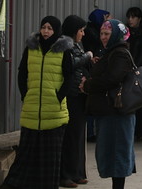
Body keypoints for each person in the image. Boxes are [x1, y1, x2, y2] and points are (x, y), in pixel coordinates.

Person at [1, 16, 73, 189]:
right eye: (43, 27)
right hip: (32, 110)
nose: (46, 31)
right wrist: (25, 94)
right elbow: (22, 73)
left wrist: (58, 97)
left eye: (50, 28)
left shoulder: (64, 51)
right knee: (27, 154)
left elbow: (69, 77)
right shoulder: (31, 49)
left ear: (56, 31)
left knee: (50, 157)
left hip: (54, 111)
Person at [81, 19, 136, 188]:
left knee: (117, 153)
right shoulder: (110, 52)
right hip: (110, 112)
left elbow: (112, 79)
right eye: (102, 34)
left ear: (116, 36)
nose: (103, 37)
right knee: (112, 152)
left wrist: (88, 85)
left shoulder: (119, 53)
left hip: (117, 113)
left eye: (107, 34)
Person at [59, 15, 94, 188]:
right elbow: (70, 64)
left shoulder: (76, 45)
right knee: (70, 137)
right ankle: (66, 174)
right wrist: (87, 57)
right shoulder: (64, 45)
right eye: (81, 31)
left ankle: (78, 172)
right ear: (74, 31)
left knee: (79, 136)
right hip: (70, 96)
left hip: (79, 96)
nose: (83, 34)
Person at [82, 8, 109, 142]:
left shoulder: (91, 30)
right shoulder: (92, 32)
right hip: (91, 70)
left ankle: (91, 132)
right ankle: (91, 132)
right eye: (105, 18)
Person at [125, 7, 142, 141]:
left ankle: (141, 131)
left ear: (139, 19)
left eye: (133, 17)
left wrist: (135, 68)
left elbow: (141, 54)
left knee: (140, 101)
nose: (130, 20)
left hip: (138, 69)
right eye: (129, 17)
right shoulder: (128, 33)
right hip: (130, 69)